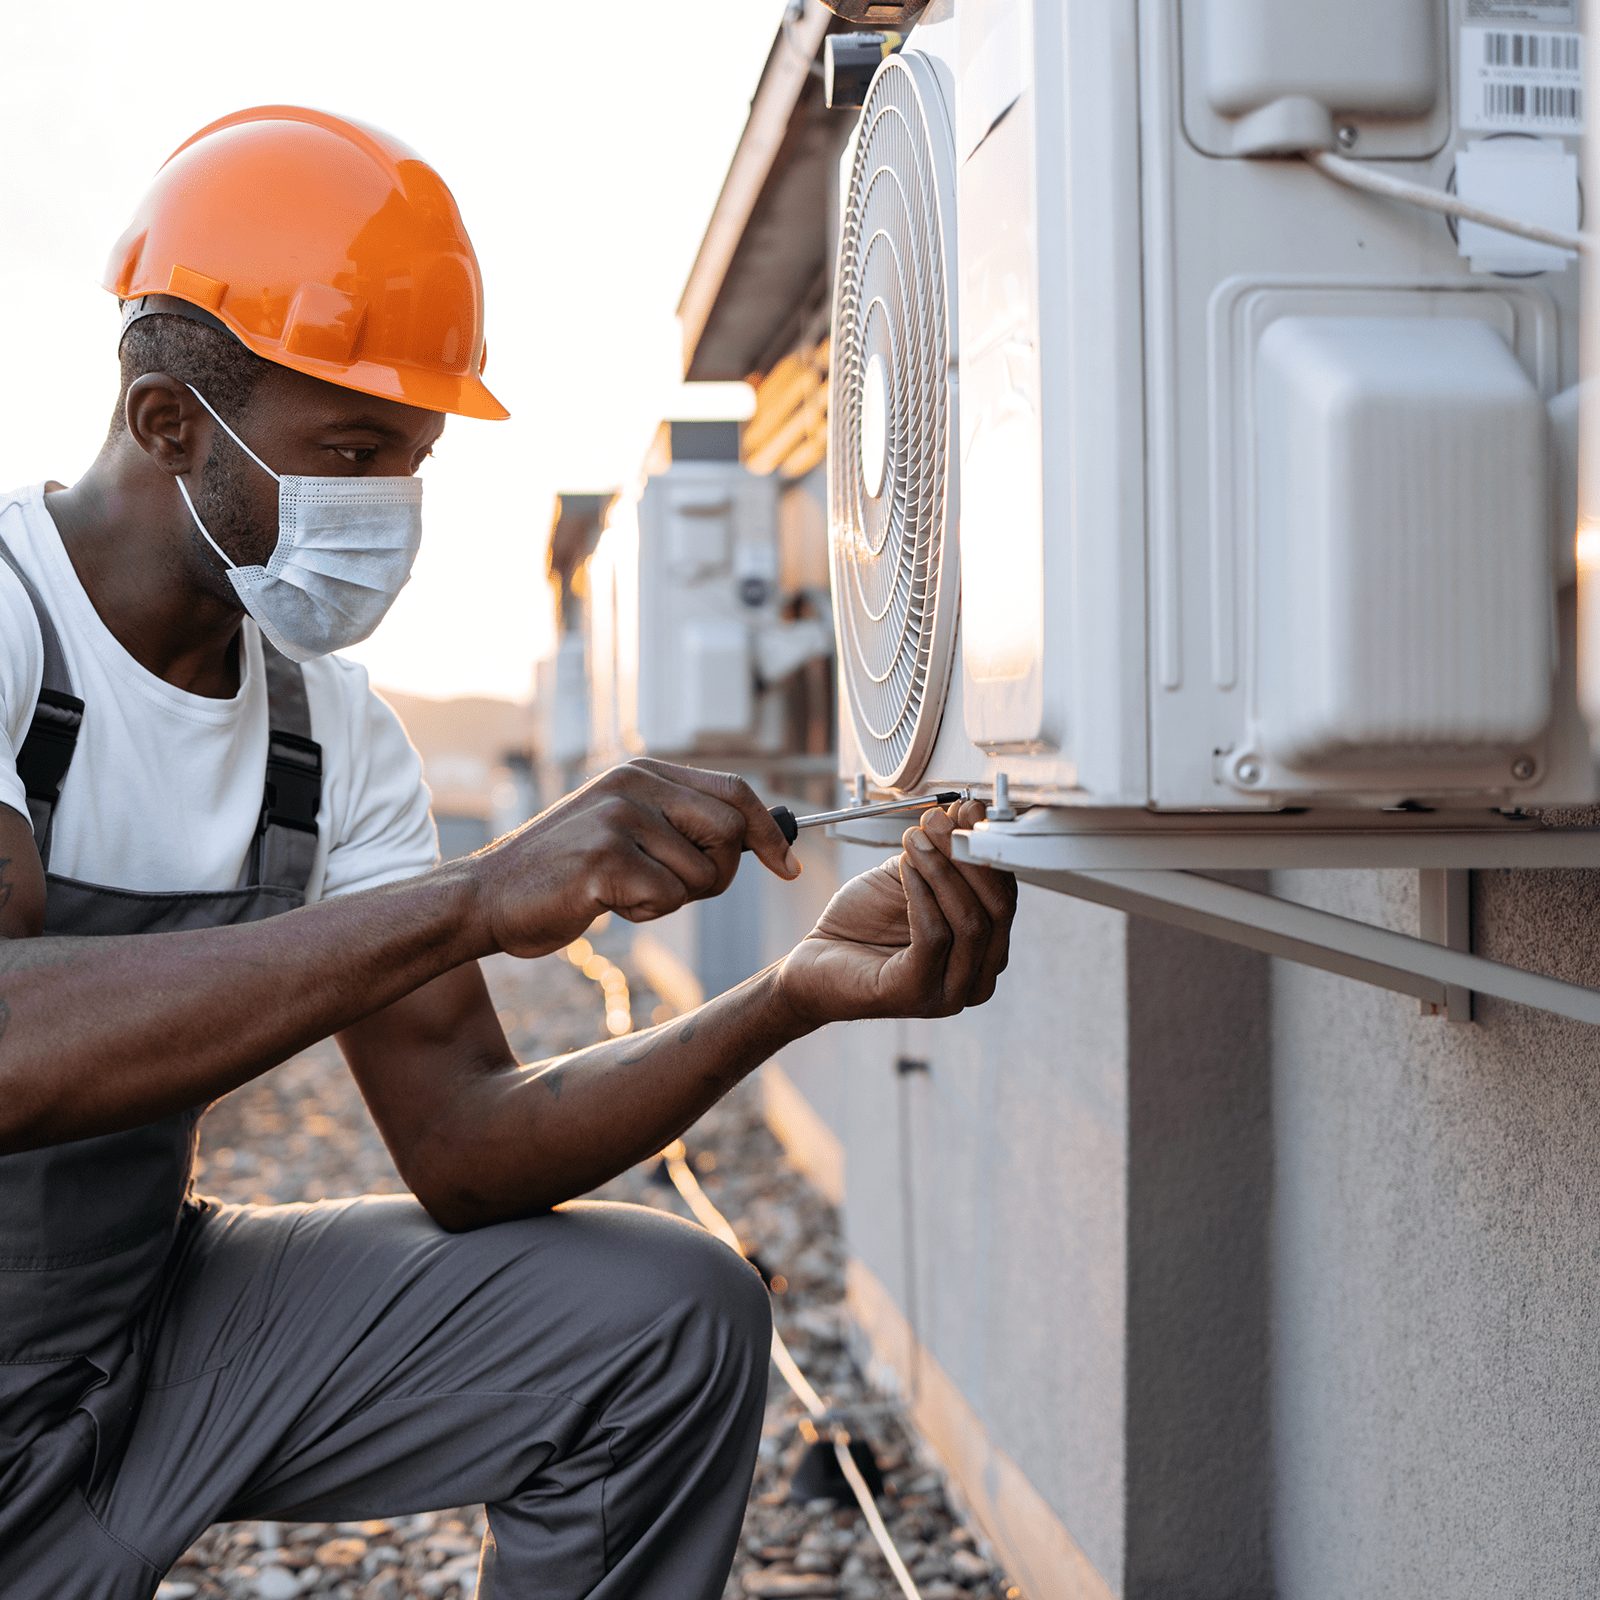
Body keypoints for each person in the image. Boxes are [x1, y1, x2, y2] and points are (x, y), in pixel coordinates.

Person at [0, 107, 1016, 1598]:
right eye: (350, 449)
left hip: (138, 1339)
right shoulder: (13, 629)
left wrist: (788, 995)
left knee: (668, 1312)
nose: (386, 510)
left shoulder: (328, 735)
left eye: (409, 461)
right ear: (168, 421)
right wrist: (471, 902)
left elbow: (468, 1148)